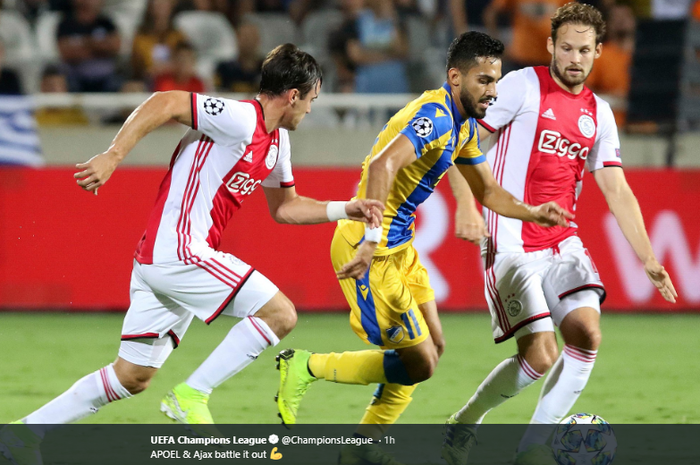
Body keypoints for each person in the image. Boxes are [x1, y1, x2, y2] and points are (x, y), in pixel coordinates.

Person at [0, 43, 384, 465]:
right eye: (311, 100)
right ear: (294, 95)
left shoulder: (276, 144)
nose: (310, 110)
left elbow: (286, 208)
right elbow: (165, 101)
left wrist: (344, 208)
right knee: (281, 314)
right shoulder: (240, 119)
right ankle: (193, 394)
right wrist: (113, 155)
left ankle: (23, 434)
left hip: (160, 260)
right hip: (179, 251)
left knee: (132, 376)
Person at [274, 31, 573, 465]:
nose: (493, 91)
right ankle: (305, 366)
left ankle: (363, 448)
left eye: (496, 81)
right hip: (369, 248)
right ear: (455, 77)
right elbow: (382, 164)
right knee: (421, 363)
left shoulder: (463, 124)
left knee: (434, 343)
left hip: (400, 246)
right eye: (484, 81)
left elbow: (487, 190)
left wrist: (531, 212)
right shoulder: (434, 117)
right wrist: (372, 241)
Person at [442, 4, 678, 465]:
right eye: (566, 47)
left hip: (561, 239)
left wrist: (648, 258)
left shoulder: (600, 114)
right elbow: (459, 138)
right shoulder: (522, 86)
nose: (574, 57)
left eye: (584, 50)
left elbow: (616, 187)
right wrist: (468, 203)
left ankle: (533, 450)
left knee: (587, 334)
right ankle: (466, 421)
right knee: (541, 357)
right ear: (551, 45)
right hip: (508, 236)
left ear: (597, 53)